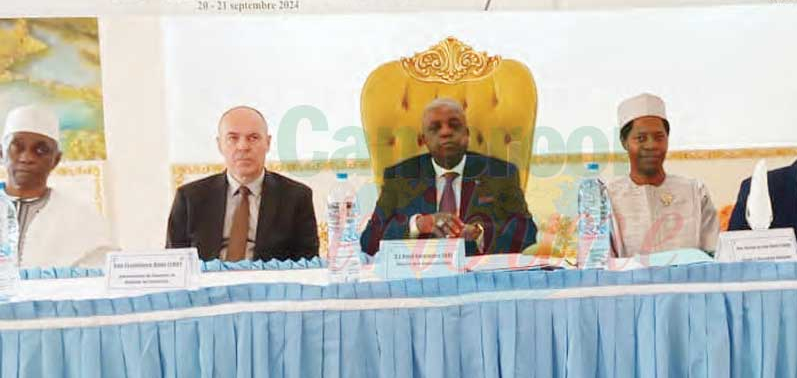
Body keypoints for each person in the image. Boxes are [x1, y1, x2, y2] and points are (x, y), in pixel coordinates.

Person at [360, 98, 536, 257]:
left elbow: (527, 233)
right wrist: (418, 225)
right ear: (424, 140)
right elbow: (369, 242)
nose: (445, 132)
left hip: (478, 273)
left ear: (467, 134)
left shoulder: (501, 173)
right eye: (435, 128)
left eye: (454, 125)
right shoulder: (399, 176)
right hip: (420, 273)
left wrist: (479, 233)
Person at [167, 106, 319, 261]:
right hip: (209, 277)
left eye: (253, 138)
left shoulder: (296, 197)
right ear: (219, 144)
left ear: (268, 143)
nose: (243, 147)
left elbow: (308, 264)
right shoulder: (189, 198)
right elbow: (174, 264)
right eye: (233, 138)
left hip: (268, 277)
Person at [0, 104, 114, 267]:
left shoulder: (82, 219)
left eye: (40, 150)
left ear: (56, 159)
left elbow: (104, 270)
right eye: (17, 147)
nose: (27, 158)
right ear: (1, 152)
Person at [607, 93, 719, 256]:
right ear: (624, 142)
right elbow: (601, 261)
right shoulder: (608, 196)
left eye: (659, 137)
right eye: (641, 138)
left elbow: (714, 251)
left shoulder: (695, 191)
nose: (651, 145)